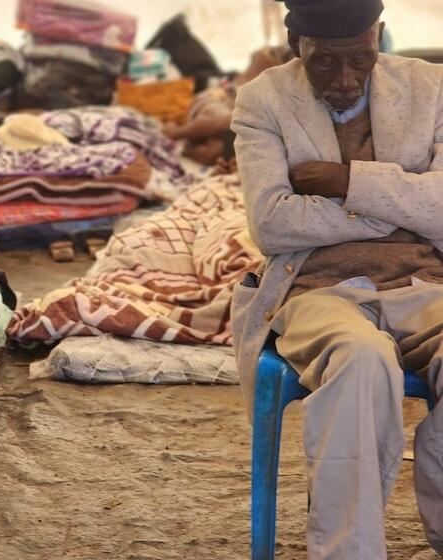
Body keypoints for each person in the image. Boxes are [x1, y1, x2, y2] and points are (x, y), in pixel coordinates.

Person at [230, 0, 443, 558]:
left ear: (379, 35)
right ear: (294, 44)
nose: (345, 81)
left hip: (428, 283)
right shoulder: (263, 100)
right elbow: (272, 224)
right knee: (359, 359)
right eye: (325, 64)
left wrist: (346, 182)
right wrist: (399, 203)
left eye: (361, 60)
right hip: (317, 291)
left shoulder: (433, 87)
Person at [163, 46, 292, 166]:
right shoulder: (235, 82)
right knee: (226, 118)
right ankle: (177, 133)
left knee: (220, 149)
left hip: (232, 127)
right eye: (274, 54)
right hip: (214, 105)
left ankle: (186, 147)